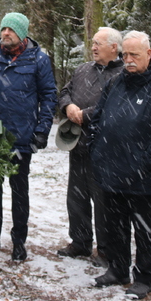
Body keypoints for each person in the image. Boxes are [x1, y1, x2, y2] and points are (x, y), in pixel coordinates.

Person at [88, 31, 151, 300]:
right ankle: (118, 269)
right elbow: (97, 120)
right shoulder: (115, 82)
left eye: (134, 55)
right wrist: (97, 152)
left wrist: (141, 166)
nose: (128, 60)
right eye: (125, 55)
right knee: (114, 226)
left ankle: (143, 277)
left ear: (149, 55)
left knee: (145, 230)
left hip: (144, 178)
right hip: (112, 172)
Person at [0, 12, 57, 261]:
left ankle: (19, 241)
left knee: (20, 192)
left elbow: (49, 96)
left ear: (22, 33)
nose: (5, 33)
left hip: (22, 137)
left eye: (11, 29)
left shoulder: (38, 60)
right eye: (3, 29)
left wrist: (42, 130)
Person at [56, 27, 123, 266]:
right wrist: (68, 107)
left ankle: (105, 249)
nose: (93, 47)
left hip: (105, 150)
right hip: (78, 146)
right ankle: (80, 242)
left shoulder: (123, 74)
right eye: (92, 43)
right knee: (77, 198)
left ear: (114, 48)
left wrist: (85, 115)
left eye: (98, 44)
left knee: (104, 203)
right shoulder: (83, 69)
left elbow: (116, 107)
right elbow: (64, 92)